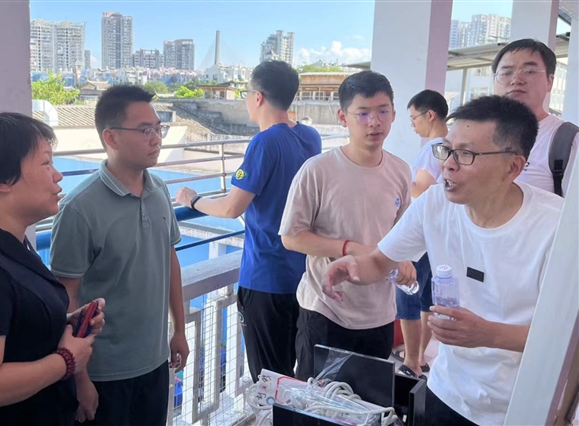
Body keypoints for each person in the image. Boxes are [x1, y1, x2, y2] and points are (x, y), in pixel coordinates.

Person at [323, 95, 564, 425]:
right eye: (446, 150)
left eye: (466, 154)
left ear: (513, 167)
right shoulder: (435, 203)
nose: (448, 164)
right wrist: (354, 266)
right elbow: (380, 260)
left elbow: (568, 338)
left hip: (520, 408)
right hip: (447, 390)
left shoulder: (557, 229)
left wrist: (487, 335)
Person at [0, 112, 104, 426]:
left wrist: (63, 321)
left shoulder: (7, 242)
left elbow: (8, 325)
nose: (58, 176)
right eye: (46, 163)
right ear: (3, 179)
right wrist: (66, 361)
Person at [50, 85, 188, 426]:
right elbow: (65, 300)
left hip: (155, 363)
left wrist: (179, 330)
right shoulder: (79, 209)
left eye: (158, 128)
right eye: (145, 130)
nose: (156, 139)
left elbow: (169, 259)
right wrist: (80, 378)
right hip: (104, 373)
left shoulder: (160, 190)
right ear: (110, 137)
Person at [175, 60, 322, 382]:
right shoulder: (310, 137)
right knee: (295, 375)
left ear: (258, 97)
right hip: (302, 275)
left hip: (267, 278)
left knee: (270, 379)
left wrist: (193, 200)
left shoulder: (265, 142)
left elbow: (232, 208)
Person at [279, 70, 414, 381]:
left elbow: (402, 233)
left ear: (394, 114)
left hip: (379, 314)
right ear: (343, 117)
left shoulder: (400, 171)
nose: (374, 122)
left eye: (383, 111)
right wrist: (348, 248)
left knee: (369, 401)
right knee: (317, 402)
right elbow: (291, 237)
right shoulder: (317, 171)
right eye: (362, 113)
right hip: (325, 311)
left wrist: (403, 258)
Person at [392, 90, 450, 379]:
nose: (413, 125)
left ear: (430, 115)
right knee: (427, 295)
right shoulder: (451, 146)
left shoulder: (432, 149)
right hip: (440, 234)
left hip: (423, 233)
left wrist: (399, 177)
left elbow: (422, 189)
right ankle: (420, 356)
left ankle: (412, 361)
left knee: (407, 294)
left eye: (414, 118)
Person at [492, 38, 578, 197]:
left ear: (549, 82)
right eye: (506, 73)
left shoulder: (567, 141)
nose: (516, 80)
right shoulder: (475, 136)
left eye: (529, 72)